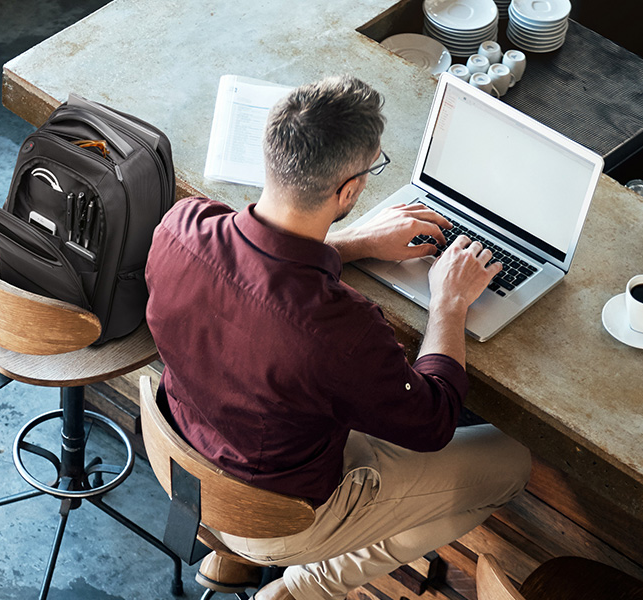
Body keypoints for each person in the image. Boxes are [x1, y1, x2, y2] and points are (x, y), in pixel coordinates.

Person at [144, 75, 531, 600]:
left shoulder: (181, 226)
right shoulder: (341, 331)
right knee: (510, 461)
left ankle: (231, 554)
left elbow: (263, 273)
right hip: (281, 514)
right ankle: (305, 587)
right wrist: (450, 302)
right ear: (349, 191)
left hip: (186, 460)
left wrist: (356, 242)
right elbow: (433, 422)